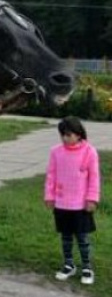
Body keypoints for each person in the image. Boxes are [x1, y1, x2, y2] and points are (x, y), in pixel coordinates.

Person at [45, 116, 101, 285]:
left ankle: (86, 267)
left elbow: (94, 177)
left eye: (69, 135)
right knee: (66, 237)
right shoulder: (56, 152)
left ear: (78, 134)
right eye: (62, 135)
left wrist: (92, 198)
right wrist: (49, 196)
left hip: (81, 204)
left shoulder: (89, 152)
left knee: (83, 238)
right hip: (62, 203)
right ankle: (69, 264)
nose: (65, 138)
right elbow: (51, 175)